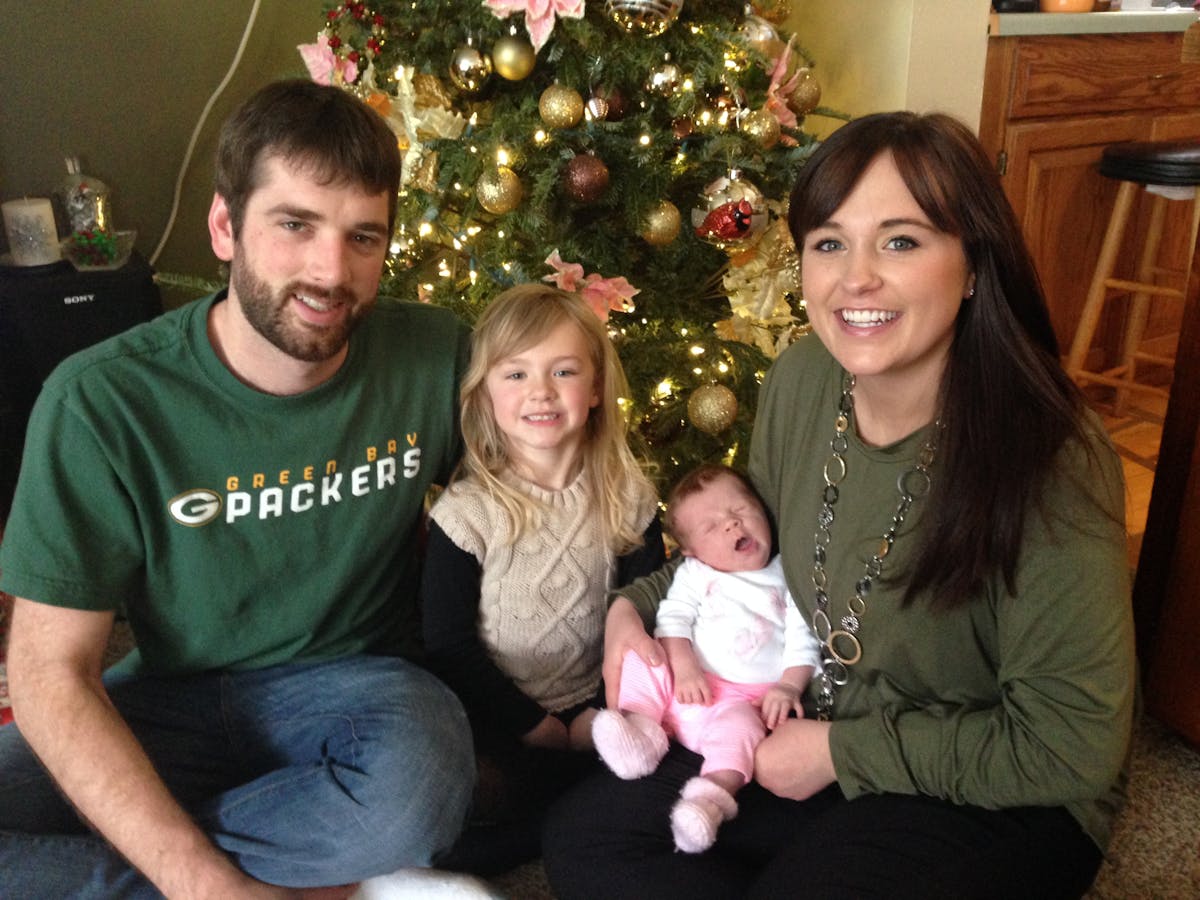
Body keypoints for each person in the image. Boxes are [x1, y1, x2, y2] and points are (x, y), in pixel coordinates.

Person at [542, 111, 1137, 900]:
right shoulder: (803, 379)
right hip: (803, 720)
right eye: (829, 243)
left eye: (901, 241)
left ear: (972, 263)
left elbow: (1069, 747)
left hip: (994, 786)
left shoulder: (1052, 453)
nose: (856, 279)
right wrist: (633, 608)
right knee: (584, 836)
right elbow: (745, 546)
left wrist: (838, 754)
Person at [0, 79, 478, 898]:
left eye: (364, 236)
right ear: (225, 227)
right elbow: (49, 673)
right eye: (295, 225)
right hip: (169, 695)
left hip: (359, 700)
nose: (330, 270)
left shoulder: (438, 355)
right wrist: (202, 883)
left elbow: (549, 496)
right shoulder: (100, 402)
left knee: (421, 784)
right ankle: (323, 882)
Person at [419, 283, 664, 875]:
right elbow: (448, 643)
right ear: (485, 394)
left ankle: (570, 814)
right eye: (516, 374)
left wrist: (595, 714)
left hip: (600, 704)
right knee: (466, 793)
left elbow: (646, 612)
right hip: (495, 712)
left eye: (564, 371)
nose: (541, 392)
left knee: (651, 770)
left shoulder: (627, 496)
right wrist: (535, 727)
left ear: (596, 388)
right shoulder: (468, 513)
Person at [592, 463, 820, 854]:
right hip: (685, 681)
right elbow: (672, 621)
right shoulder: (696, 573)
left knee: (744, 732)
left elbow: (804, 640)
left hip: (742, 701)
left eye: (741, 510)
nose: (732, 524)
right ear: (691, 551)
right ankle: (640, 731)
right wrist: (684, 669)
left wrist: (788, 686)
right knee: (644, 657)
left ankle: (708, 799)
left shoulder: (787, 575)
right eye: (712, 526)